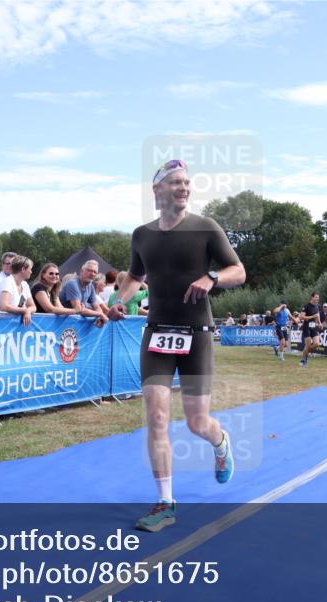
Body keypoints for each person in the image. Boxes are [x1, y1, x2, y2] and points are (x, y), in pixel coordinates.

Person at [107, 158, 245, 532]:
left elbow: (239, 271)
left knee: (198, 421)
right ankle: (165, 502)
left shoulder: (205, 227)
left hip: (196, 333)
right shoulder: (142, 234)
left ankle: (220, 442)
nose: (184, 188)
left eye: (187, 182)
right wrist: (120, 299)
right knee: (156, 417)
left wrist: (212, 277)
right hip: (157, 334)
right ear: (157, 190)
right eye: (176, 183)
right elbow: (135, 276)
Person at [60, 259, 109, 326]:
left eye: (95, 272)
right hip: (61, 323)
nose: (92, 274)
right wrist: (100, 314)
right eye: (89, 270)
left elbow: (97, 307)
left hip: (73, 324)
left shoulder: (90, 286)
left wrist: (99, 317)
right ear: (81, 271)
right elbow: (79, 310)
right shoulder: (73, 284)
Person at [0, 255, 37, 326]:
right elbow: (4, 306)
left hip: (13, 326)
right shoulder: (8, 282)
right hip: (1, 325)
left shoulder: (25, 284)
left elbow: (33, 306)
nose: (31, 272)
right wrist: (24, 310)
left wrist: (28, 311)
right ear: (23, 269)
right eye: (30, 269)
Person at [299, 292, 322, 367]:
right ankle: (304, 359)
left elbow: (317, 315)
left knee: (316, 344)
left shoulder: (317, 306)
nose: (317, 299)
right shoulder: (306, 306)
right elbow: (301, 317)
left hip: (314, 327)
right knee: (308, 345)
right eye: (316, 297)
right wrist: (312, 316)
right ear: (312, 297)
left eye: (318, 298)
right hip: (306, 327)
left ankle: (304, 355)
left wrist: (320, 323)